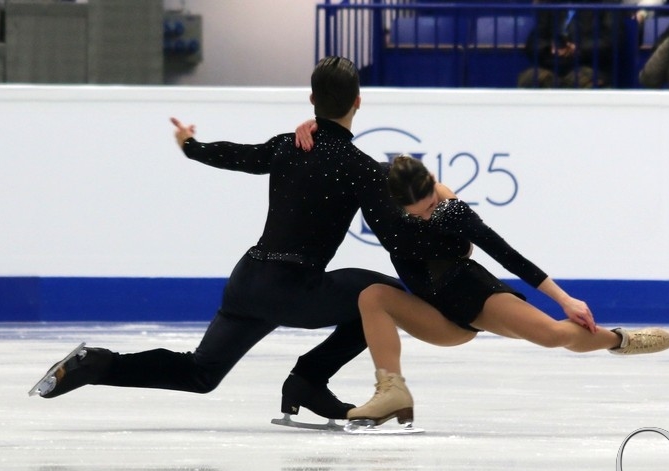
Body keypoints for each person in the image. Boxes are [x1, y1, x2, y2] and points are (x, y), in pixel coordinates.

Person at [29, 57, 460, 423]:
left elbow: (236, 155)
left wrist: (191, 144)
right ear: (358, 102)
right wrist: (443, 244)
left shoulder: (288, 146)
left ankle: (98, 364)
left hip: (249, 281)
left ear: (312, 100)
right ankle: (308, 380)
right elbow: (394, 236)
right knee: (381, 297)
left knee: (200, 373)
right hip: (295, 288)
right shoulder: (359, 168)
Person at [342, 156, 669, 426]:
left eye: (431, 205)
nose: (429, 216)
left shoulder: (452, 212)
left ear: (433, 182)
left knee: (552, 335)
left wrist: (565, 299)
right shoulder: (382, 197)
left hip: (471, 294)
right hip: (433, 314)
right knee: (372, 296)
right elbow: (343, 156)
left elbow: (507, 255)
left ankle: (620, 340)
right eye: (419, 213)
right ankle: (392, 391)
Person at [518, 0, 623, 88]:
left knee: (575, 79)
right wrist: (550, 48)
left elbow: (612, 40)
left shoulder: (607, 3)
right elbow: (533, 42)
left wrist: (578, 48)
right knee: (529, 78)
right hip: (554, 67)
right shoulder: (552, 4)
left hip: (590, 67)